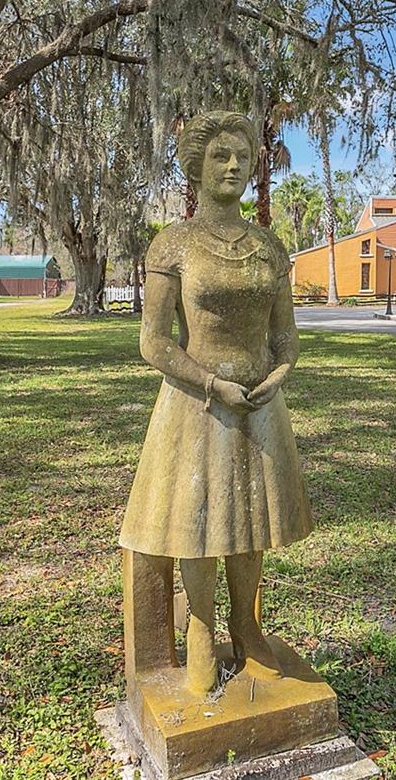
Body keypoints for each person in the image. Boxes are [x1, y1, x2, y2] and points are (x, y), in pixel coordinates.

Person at [119, 110, 313, 694]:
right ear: (196, 168)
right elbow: (153, 341)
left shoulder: (267, 246)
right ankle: (200, 631)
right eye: (219, 157)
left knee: (252, 521)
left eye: (242, 158)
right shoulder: (174, 244)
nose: (233, 166)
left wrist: (280, 372)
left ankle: (246, 624)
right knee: (198, 522)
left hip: (260, 405)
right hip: (196, 404)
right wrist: (210, 383)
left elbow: (286, 334)